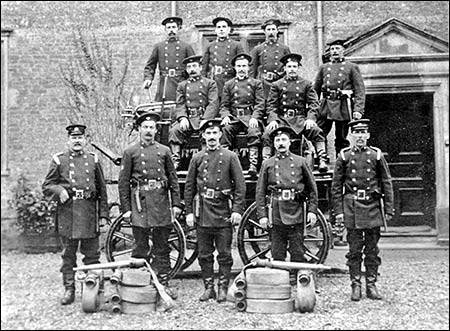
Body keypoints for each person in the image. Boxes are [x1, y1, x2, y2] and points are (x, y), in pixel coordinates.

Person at [42, 124, 109, 305]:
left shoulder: (93, 160)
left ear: (85, 140)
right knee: (68, 255)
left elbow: (102, 190)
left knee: (92, 255)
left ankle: (92, 288)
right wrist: (59, 190)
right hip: (69, 213)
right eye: (74, 138)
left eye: (80, 138)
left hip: (88, 213)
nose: (77, 141)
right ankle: (69, 288)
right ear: (68, 140)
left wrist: (103, 215)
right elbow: (46, 185)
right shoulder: (59, 160)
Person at [118, 111, 183, 298]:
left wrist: (176, 204)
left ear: (156, 130)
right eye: (145, 127)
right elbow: (123, 183)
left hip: (161, 203)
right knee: (140, 246)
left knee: (162, 247)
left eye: (151, 128)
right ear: (139, 129)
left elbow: (173, 179)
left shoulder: (164, 151)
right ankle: (140, 286)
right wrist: (126, 210)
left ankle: (163, 284)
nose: (148, 131)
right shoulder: (130, 152)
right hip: (140, 206)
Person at [331, 119, 394, 301]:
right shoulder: (344, 156)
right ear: (351, 135)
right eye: (356, 133)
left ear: (368, 135)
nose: (359, 136)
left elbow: (386, 182)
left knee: (372, 249)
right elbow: (336, 186)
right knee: (354, 249)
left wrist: (388, 208)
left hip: (372, 206)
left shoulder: (376, 155)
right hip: (352, 207)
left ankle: (371, 284)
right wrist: (339, 212)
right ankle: (355, 285)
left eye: (362, 133)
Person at [184, 118, 246, 302]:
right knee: (204, 254)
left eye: (214, 133)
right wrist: (188, 212)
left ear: (220, 135)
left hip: (223, 212)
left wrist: (236, 210)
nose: (211, 137)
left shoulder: (230, 157)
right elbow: (189, 187)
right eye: (208, 133)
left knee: (225, 254)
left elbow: (240, 186)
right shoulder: (197, 158)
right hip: (203, 212)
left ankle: (222, 287)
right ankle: (208, 287)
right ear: (203, 136)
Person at [255, 126, 318, 272]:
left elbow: (312, 189)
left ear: (290, 142)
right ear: (274, 144)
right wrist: (262, 216)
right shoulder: (268, 164)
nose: (281, 143)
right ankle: (280, 284)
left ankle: (299, 283)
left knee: (297, 251)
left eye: (284, 139)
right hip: (276, 214)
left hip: (296, 212)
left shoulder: (300, 162)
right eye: (277, 140)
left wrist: (312, 211)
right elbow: (260, 192)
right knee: (277, 253)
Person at [263, 53, 328, 172]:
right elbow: (271, 105)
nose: (292, 69)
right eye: (289, 67)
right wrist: (273, 120)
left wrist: (310, 118)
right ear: (285, 68)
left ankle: (322, 159)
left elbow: (314, 104)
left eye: (294, 66)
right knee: (267, 133)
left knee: (317, 131)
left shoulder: (306, 84)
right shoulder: (277, 85)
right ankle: (265, 161)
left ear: (298, 68)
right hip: (282, 120)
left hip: (300, 119)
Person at [313, 39, 366, 158]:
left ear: (343, 50)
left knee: (342, 136)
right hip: (326, 104)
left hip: (343, 105)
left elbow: (359, 90)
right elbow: (315, 90)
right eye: (332, 49)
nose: (335, 51)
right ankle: (322, 158)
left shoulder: (351, 67)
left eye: (337, 48)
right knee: (319, 132)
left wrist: (358, 110)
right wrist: (313, 107)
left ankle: (341, 159)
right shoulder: (324, 67)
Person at [169, 55, 219, 169]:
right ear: (186, 70)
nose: (192, 69)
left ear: (200, 67)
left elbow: (213, 103)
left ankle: (206, 160)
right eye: (189, 67)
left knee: (207, 133)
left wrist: (205, 119)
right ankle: (175, 161)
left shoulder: (209, 83)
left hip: (204, 118)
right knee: (174, 131)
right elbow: (180, 103)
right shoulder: (182, 85)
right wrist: (182, 118)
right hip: (189, 119)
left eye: (194, 66)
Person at [220, 53, 265, 177]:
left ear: (248, 68)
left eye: (244, 66)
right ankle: (225, 164)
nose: (241, 69)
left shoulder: (256, 83)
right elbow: (224, 105)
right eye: (239, 66)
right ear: (235, 68)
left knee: (254, 131)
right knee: (225, 130)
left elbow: (260, 104)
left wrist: (255, 117)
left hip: (250, 117)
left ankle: (253, 165)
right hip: (235, 118)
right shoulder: (228, 84)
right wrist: (225, 116)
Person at [143, 16, 195, 102]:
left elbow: (194, 66)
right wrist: (148, 79)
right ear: (165, 29)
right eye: (169, 27)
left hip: (181, 82)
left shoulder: (186, 47)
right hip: (165, 83)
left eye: (174, 27)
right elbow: (150, 65)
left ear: (178, 28)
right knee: (163, 109)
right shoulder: (159, 47)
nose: (171, 30)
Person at [201, 17, 244, 101]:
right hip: (215, 81)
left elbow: (242, 64)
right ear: (215, 30)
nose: (221, 29)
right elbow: (204, 67)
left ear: (229, 29)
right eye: (219, 27)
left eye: (224, 27)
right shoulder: (210, 46)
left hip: (230, 79)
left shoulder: (236, 45)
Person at [250, 18, 291, 97]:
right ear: (264, 32)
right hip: (263, 84)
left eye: (273, 29)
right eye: (268, 29)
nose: (271, 32)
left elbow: (289, 68)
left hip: (280, 82)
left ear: (277, 31)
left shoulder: (284, 49)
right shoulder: (258, 49)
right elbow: (252, 70)